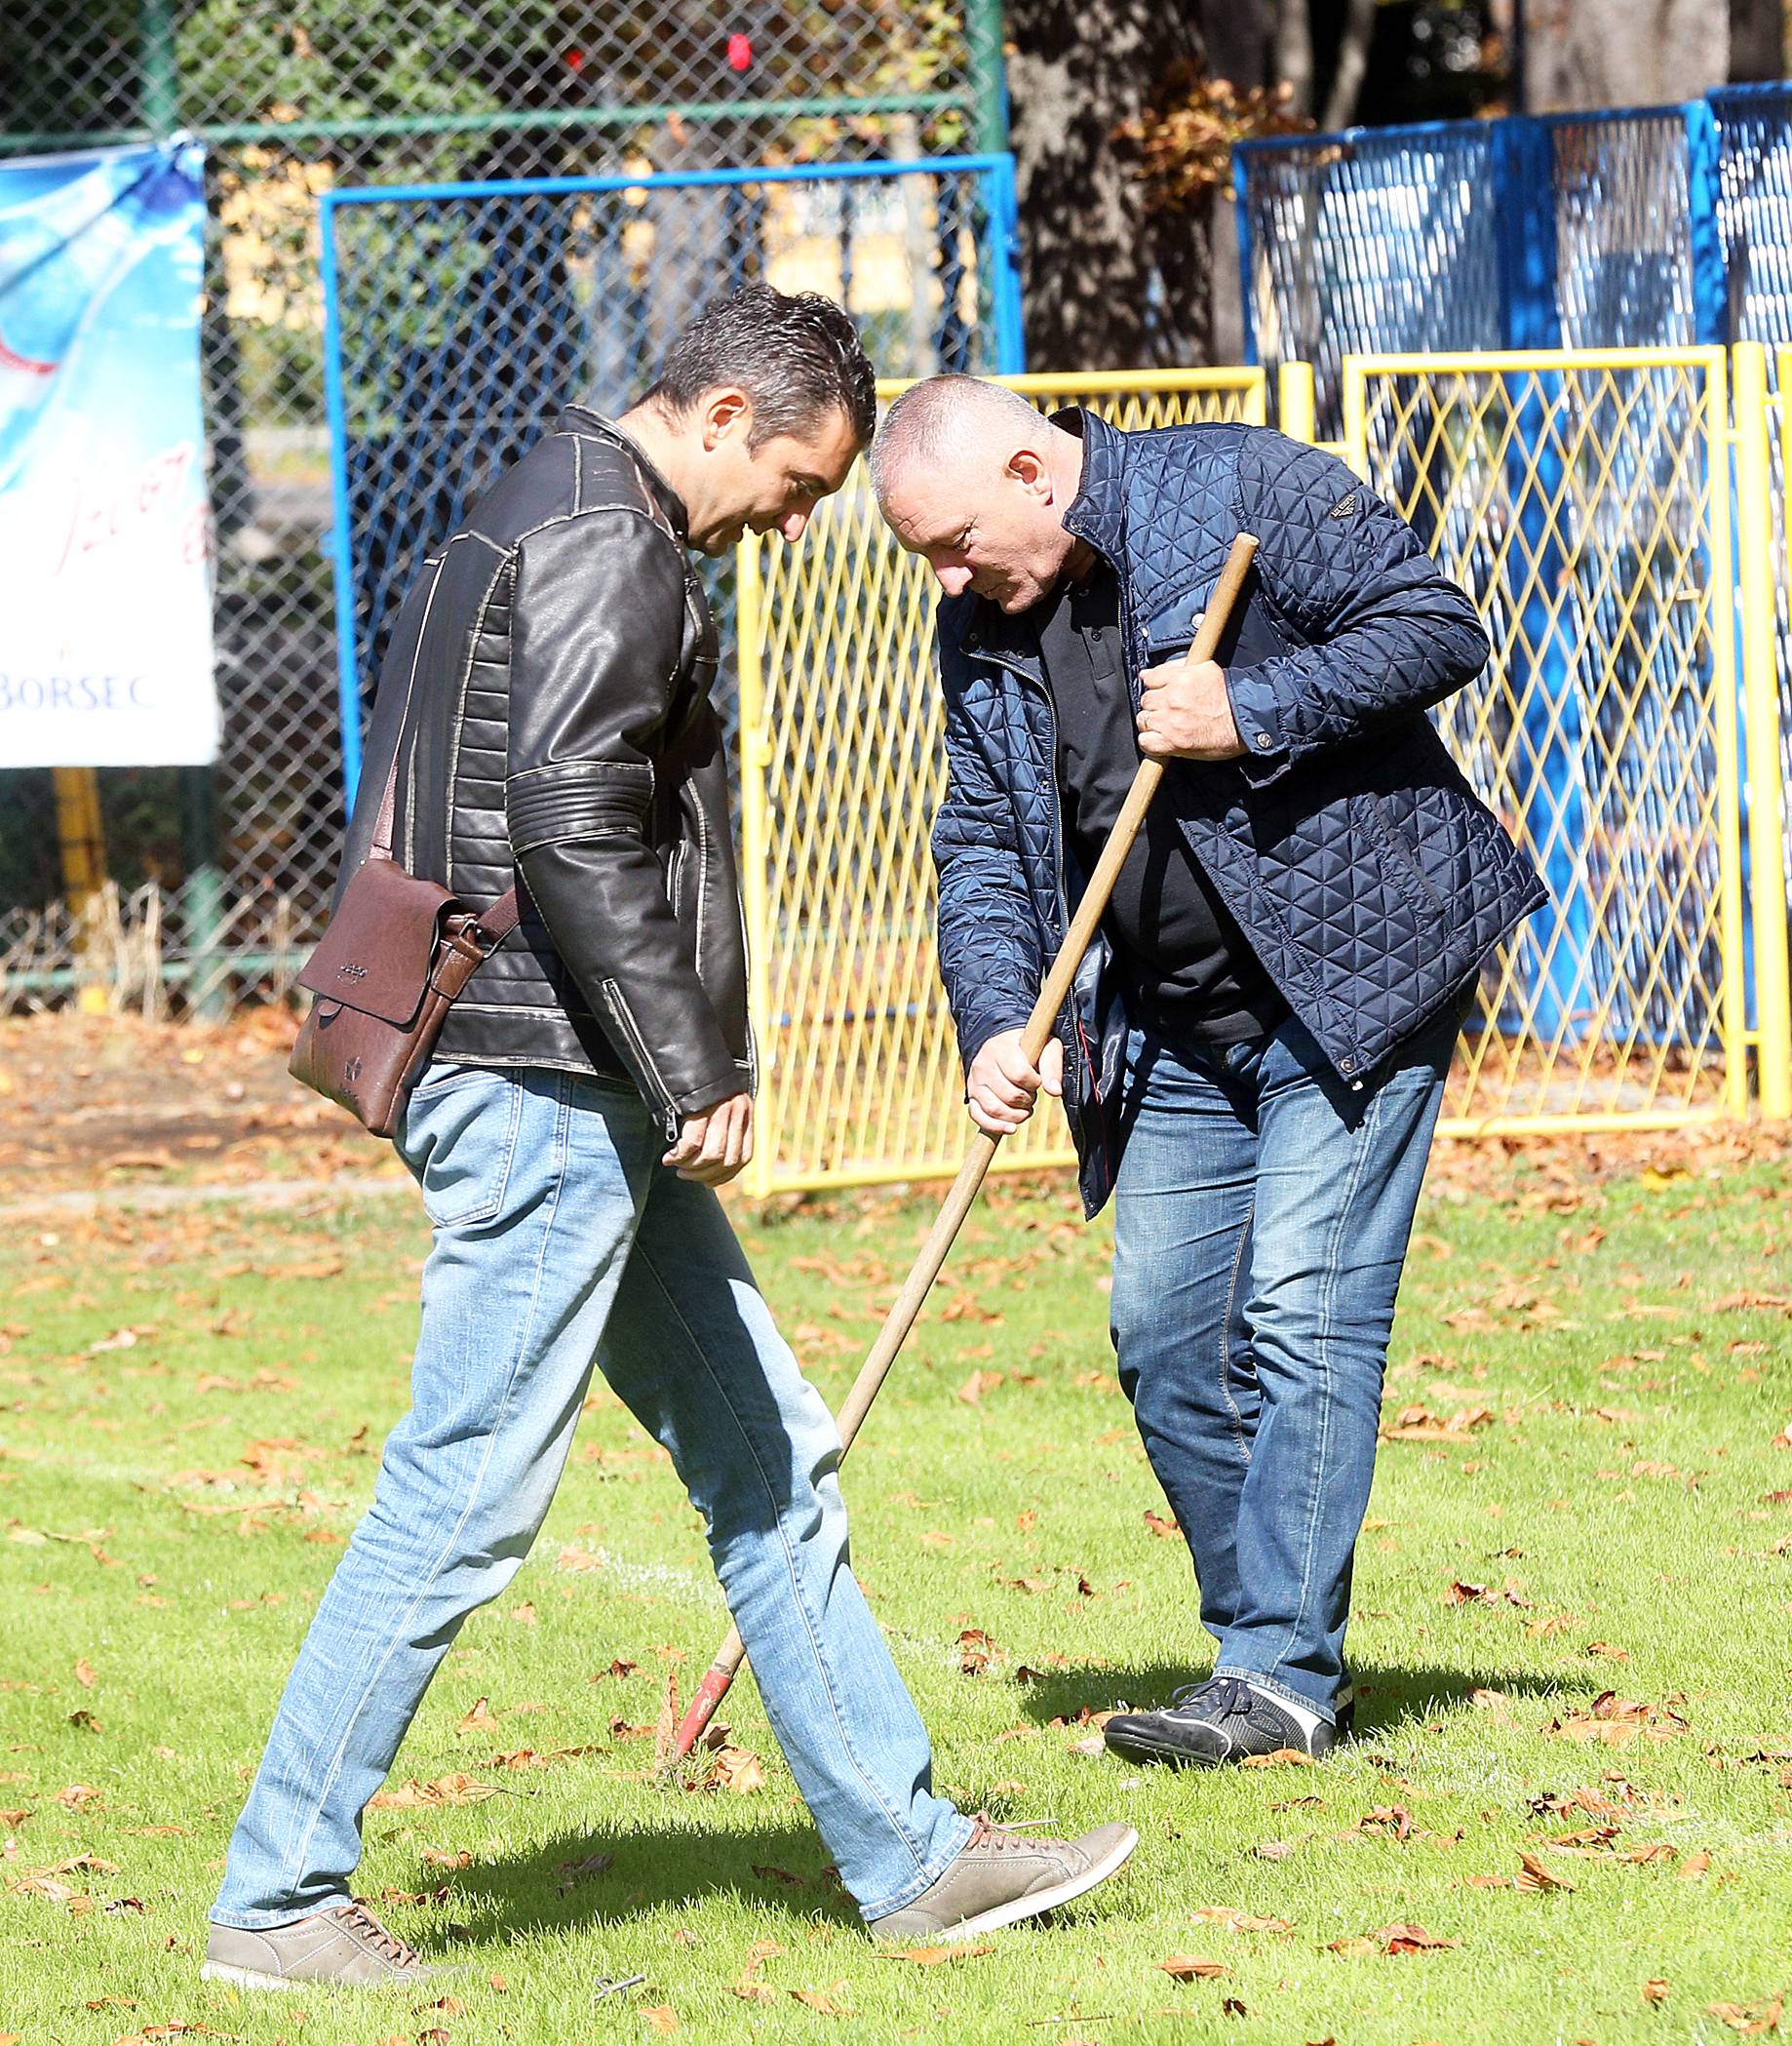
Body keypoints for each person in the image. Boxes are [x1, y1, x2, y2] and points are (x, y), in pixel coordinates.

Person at [204, 295, 1135, 1988]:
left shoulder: (538, 497)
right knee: (465, 1488)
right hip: (548, 1081)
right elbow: (567, 818)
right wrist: (689, 1055)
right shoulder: (611, 545)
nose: (795, 520)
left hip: (565, 1075)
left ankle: (913, 1857)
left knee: (772, 1462)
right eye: (793, 480)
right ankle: (277, 1895)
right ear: (717, 413)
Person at [872, 375, 1544, 1768]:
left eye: (951, 540)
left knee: (1304, 1313)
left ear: (1026, 470)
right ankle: (1267, 1643)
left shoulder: (1237, 486)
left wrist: (1253, 705)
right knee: (1166, 1343)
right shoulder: (977, 633)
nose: (945, 575)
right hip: (1167, 1024)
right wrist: (1000, 1018)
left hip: (1351, 986)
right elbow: (985, 844)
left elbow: (1436, 625)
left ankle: (1281, 1677)